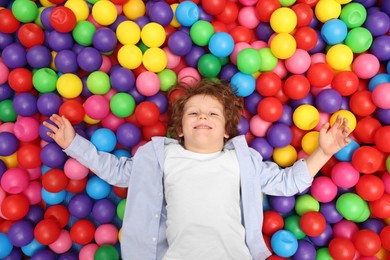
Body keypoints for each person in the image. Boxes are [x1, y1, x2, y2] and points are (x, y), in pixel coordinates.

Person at [44, 79, 351, 260]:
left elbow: (286, 183)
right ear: (179, 130)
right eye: (194, 112)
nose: (203, 117)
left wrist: (323, 152)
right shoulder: (161, 157)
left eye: (212, 114)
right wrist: (73, 144)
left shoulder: (242, 160)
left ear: (226, 132)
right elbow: (117, 170)